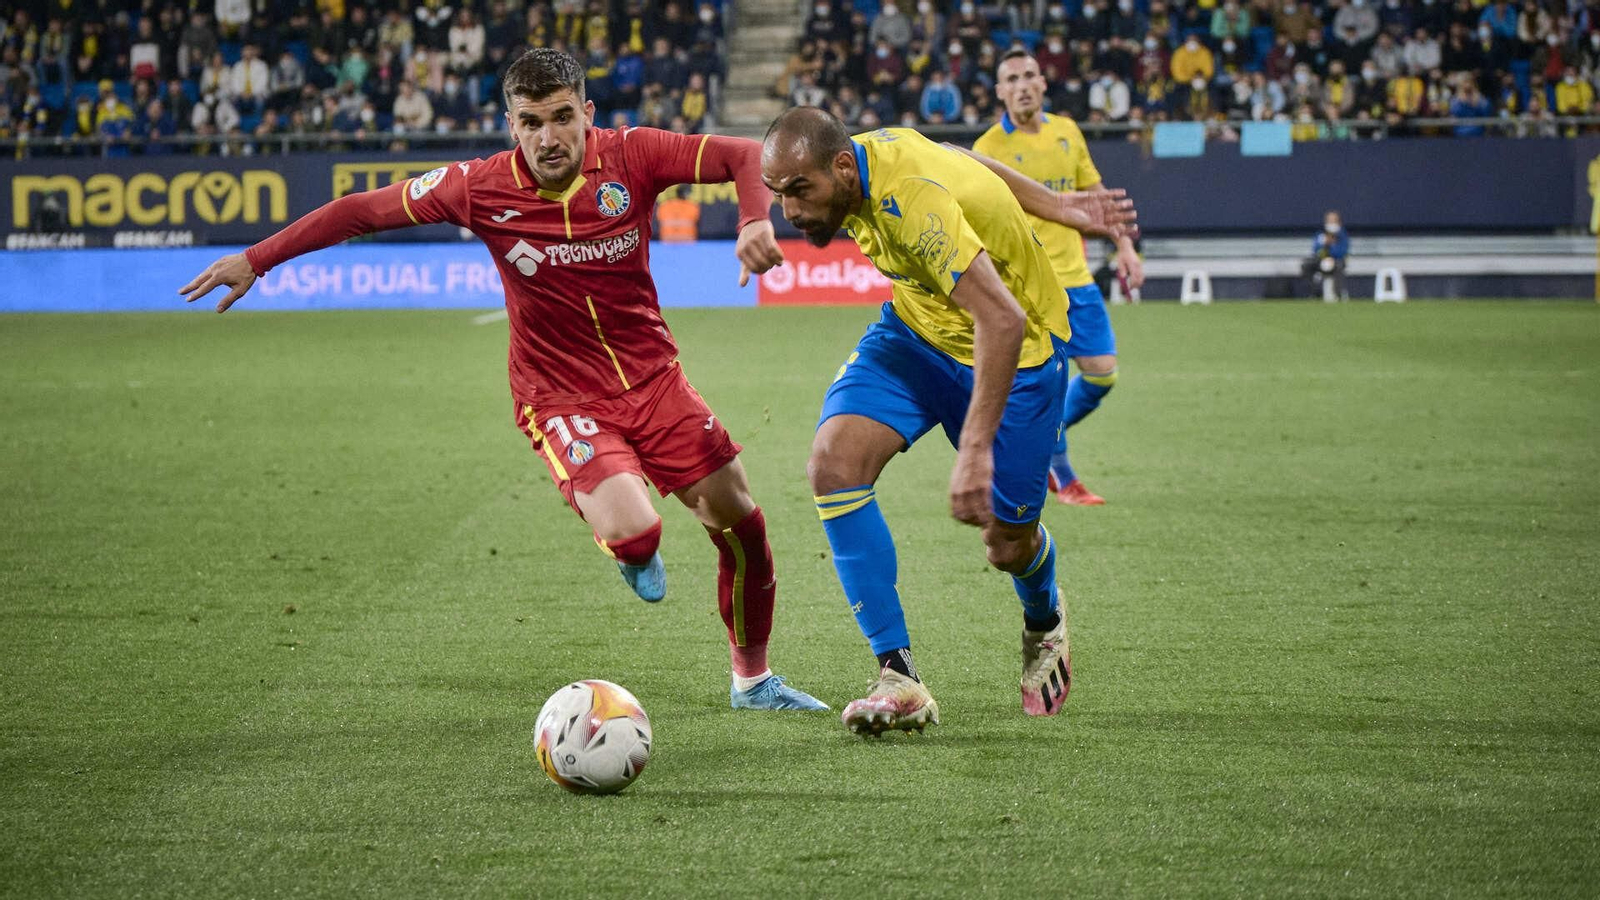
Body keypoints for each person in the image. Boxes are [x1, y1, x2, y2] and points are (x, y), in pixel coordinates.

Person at [178, 48, 827, 714]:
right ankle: (629, 551)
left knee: (743, 525)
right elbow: (361, 212)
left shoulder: (633, 155)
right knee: (638, 533)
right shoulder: (477, 186)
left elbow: (743, 155)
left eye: (562, 117)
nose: (549, 137)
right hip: (560, 396)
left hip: (655, 379)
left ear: (587, 113)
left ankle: (753, 681)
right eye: (531, 122)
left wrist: (753, 219)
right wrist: (258, 259)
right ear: (510, 125)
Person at [760, 108, 1134, 735]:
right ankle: (897, 675)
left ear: (842, 167)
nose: (790, 211)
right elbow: (967, 161)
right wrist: (1059, 207)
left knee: (1005, 544)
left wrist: (974, 450)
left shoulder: (911, 204)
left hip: (1016, 357)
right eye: (779, 195)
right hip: (915, 335)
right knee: (833, 464)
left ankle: (1044, 619)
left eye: (801, 191)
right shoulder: (875, 153)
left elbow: (1004, 320)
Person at [974, 50, 1143, 507]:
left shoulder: (1067, 132)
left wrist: (1124, 246)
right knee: (1046, 382)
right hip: (1027, 286)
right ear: (999, 91)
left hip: (1077, 277)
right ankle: (1064, 476)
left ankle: (1043, 439)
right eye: (1012, 78)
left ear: (1044, 83)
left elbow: (1096, 197)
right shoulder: (987, 150)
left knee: (1102, 375)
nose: (1023, 84)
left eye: (1030, 75)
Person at [1301, 210, 1350, 300]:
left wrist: (1331, 249)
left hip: (1336, 261)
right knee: (1306, 265)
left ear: (1338, 222)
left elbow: (1342, 251)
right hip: (1322, 260)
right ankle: (1314, 294)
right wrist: (1325, 247)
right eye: (1329, 221)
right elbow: (1316, 250)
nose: (1331, 224)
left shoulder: (1342, 235)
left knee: (1339, 266)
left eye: (1333, 221)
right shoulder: (1320, 234)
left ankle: (1338, 294)